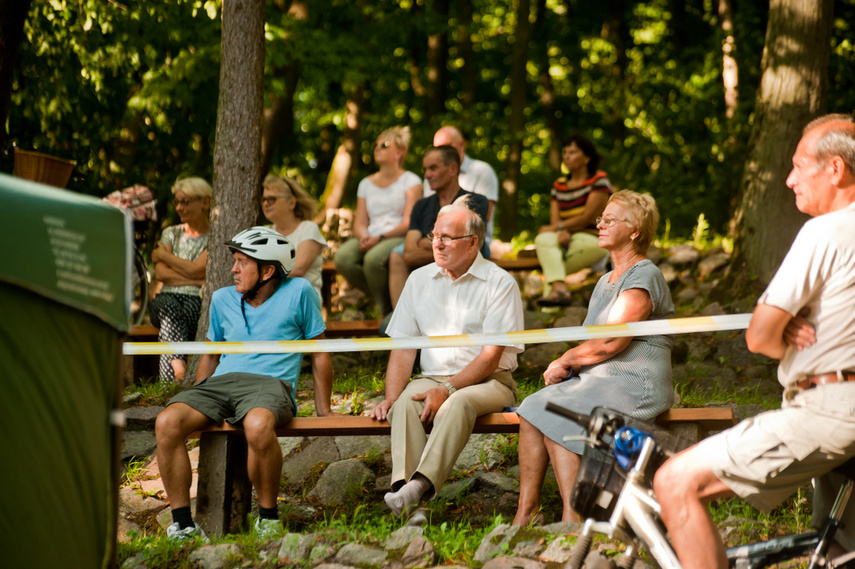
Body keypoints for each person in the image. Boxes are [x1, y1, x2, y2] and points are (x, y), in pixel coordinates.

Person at [653, 114, 855, 569]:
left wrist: (784, 336)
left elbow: (759, 335)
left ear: (835, 169)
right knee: (840, 553)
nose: (789, 180)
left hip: (829, 410)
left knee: (674, 483)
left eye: (799, 166)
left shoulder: (825, 230)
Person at [154, 226, 335, 541]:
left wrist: (325, 411)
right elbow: (211, 356)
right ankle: (183, 526)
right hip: (221, 383)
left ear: (267, 271)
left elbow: (319, 354)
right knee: (167, 421)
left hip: (270, 383)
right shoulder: (222, 298)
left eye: (242, 262)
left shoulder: (300, 291)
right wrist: (198, 396)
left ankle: (268, 519)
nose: (233, 269)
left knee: (258, 425)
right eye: (234, 261)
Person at [513, 190, 674, 526]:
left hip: (634, 381)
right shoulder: (604, 281)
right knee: (531, 409)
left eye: (609, 220)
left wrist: (566, 359)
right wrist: (573, 367)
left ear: (634, 231)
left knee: (557, 418)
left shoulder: (644, 274)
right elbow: (598, 343)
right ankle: (526, 514)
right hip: (600, 379)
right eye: (601, 218)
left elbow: (611, 340)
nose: (599, 224)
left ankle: (575, 519)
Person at [369, 203, 524, 526]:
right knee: (404, 405)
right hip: (432, 377)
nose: (437, 244)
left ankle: (417, 489)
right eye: (434, 236)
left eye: (447, 238)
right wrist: (390, 397)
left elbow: (490, 357)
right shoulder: (418, 280)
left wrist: (449, 388)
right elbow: (403, 348)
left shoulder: (500, 283)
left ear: (473, 242)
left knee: (457, 403)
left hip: (490, 381)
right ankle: (412, 509)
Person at [388, 145, 490, 310]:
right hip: (426, 290)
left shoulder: (475, 202)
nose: (426, 175)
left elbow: (469, 251)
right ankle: (399, 313)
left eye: (433, 168)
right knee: (390, 324)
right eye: (425, 169)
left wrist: (424, 242)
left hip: (465, 293)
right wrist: (450, 246)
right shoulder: (421, 206)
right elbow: (409, 255)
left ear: (453, 169)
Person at [334, 126, 422, 316]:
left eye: (384, 145)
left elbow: (409, 222)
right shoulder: (366, 183)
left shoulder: (411, 181)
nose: (377, 148)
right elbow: (359, 222)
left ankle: (385, 313)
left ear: (399, 153)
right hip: (371, 236)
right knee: (343, 257)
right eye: (376, 144)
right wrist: (365, 236)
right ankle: (385, 302)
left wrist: (380, 238)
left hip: (398, 235)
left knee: (373, 260)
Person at [535, 134, 612, 306]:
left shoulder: (599, 180)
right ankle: (559, 291)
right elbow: (555, 222)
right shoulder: (559, 185)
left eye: (573, 152)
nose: (567, 156)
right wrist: (561, 231)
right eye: (565, 152)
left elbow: (588, 217)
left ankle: (551, 309)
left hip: (596, 238)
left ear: (586, 158)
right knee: (543, 238)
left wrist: (561, 228)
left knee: (552, 266)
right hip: (566, 238)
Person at [149, 177, 212, 381]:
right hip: (164, 298)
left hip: (195, 301)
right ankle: (179, 371)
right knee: (169, 310)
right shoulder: (171, 233)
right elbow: (161, 274)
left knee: (182, 318)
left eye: (185, 201)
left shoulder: (214, 236)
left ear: (205, 202)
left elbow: (197, 269)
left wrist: (164, 256)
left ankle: (170, 385)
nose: (179, 207)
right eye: (176, 202)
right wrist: (196, 278)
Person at [422, 125, 499, 251]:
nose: (443, 151)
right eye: (438, 148)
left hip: (472, 244)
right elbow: (428, 216)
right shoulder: (430, 177)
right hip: (435, 241)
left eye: (447, 146)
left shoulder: (482, 171)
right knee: (399, 254)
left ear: (462, 144)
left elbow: (482, 219)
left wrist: (432, 239)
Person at [261, 174, 326, 299]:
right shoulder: (264, 232)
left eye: (271, 199)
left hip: (303, 300)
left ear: (291, 202)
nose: (265, 204)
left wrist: (259, 275)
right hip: (271, 300)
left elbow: (298, 269)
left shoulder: (308, 229)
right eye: (263, 200)